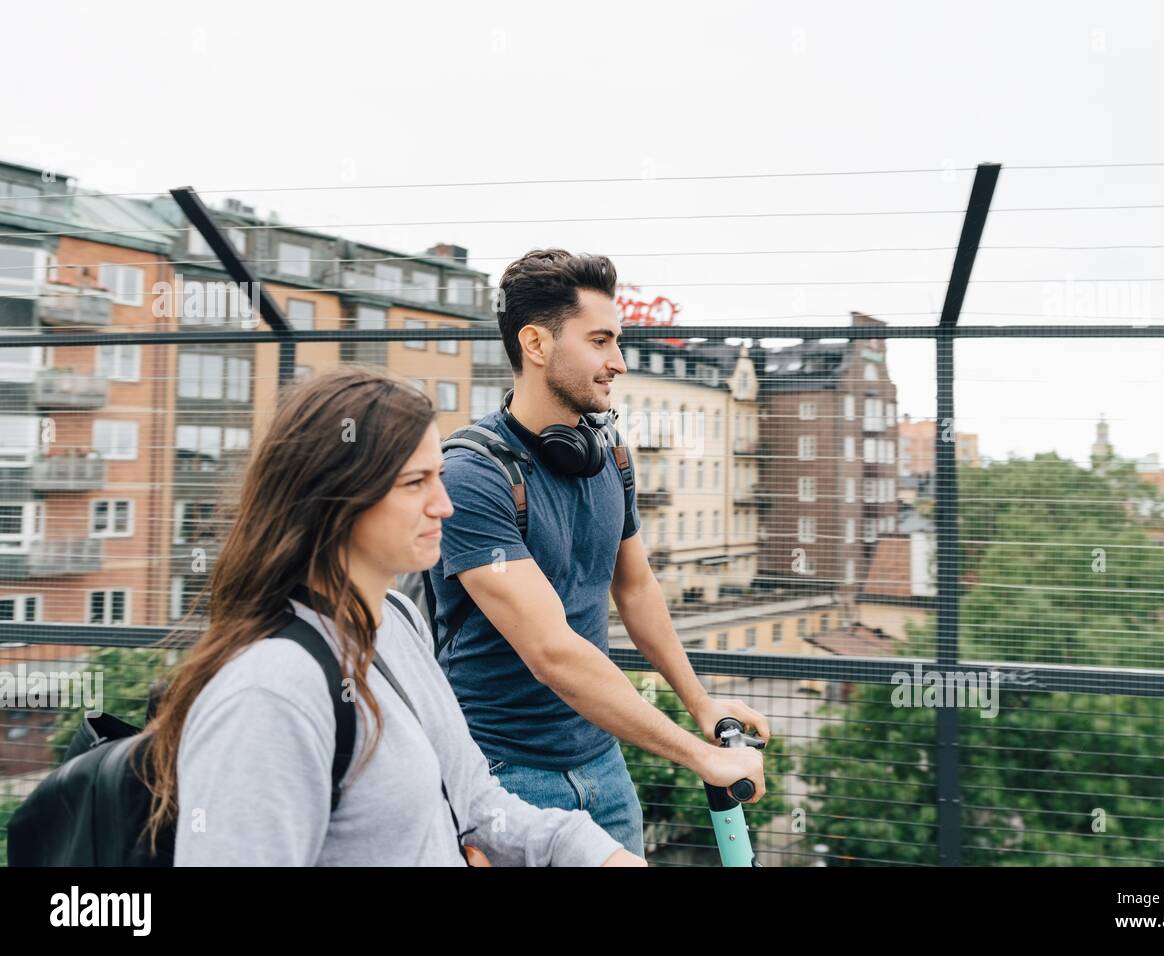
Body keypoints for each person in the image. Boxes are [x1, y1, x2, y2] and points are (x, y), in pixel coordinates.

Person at [141, 366, 643, 866]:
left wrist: (595, 853)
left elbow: (477, 805)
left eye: (438, 478)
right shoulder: (267, 693)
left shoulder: (396, 621)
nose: (444, 506)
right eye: (414, 483)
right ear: (337, 497)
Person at [408, 249, 769, 858]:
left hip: (601, 761)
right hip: (501, 773)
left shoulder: (610, 453)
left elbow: (636, 590)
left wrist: (701, 705)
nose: (618, 363)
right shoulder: (473, 476)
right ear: (535, 343)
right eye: (600, 341)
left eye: (618, 341)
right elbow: (552, 653)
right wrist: (697, 754)